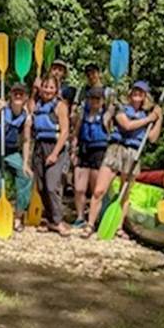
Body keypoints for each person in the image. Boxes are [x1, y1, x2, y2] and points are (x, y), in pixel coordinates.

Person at [83, 80, 163, 239]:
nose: (137, 94)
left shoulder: (148, 114)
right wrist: (150, 119)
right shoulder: (120, 108)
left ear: (145, 96)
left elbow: (152, 138)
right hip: (116, 150)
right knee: (99, 190)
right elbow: (126, 126)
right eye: (135, 91)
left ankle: (118, 227)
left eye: (141, 92)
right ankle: (90, 224)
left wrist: (159, 118)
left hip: (133, 153)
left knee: (125, 193)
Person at [0, 83, 34, 231]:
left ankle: (18, 216)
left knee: (26, 177)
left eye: (21, 94)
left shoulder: (25, 117)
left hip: (10, 151)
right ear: (10, 95)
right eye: (15, 93)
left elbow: (25, 141)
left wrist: (25, 163)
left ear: (25, 97)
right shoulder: (2, 108)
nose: (18, 96)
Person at [30, 75, 71, 235]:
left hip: (55, 147)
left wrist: (54, 154)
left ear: (56, 89)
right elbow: (29, 109)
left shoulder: (60, 106)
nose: (47, 90)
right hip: (40, 147)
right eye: (45, 86)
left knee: (52, 185)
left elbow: (65, 131)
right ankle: (51, 220)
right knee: (40, 187)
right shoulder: (37, 104)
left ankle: (58, 220)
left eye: (51, 87)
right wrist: (34, 90)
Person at [71, 86, 110, 228]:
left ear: (102, 100)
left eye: (97, 99)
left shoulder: (106, 115)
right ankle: (80, 217)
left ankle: (95, 217)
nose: (94, 101)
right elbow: (76, 133)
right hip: (83, 150)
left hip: (99, 151)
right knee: (79, 187)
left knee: (96, 189)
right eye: (92, 98)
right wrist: (73, 151)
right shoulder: (83, 114)